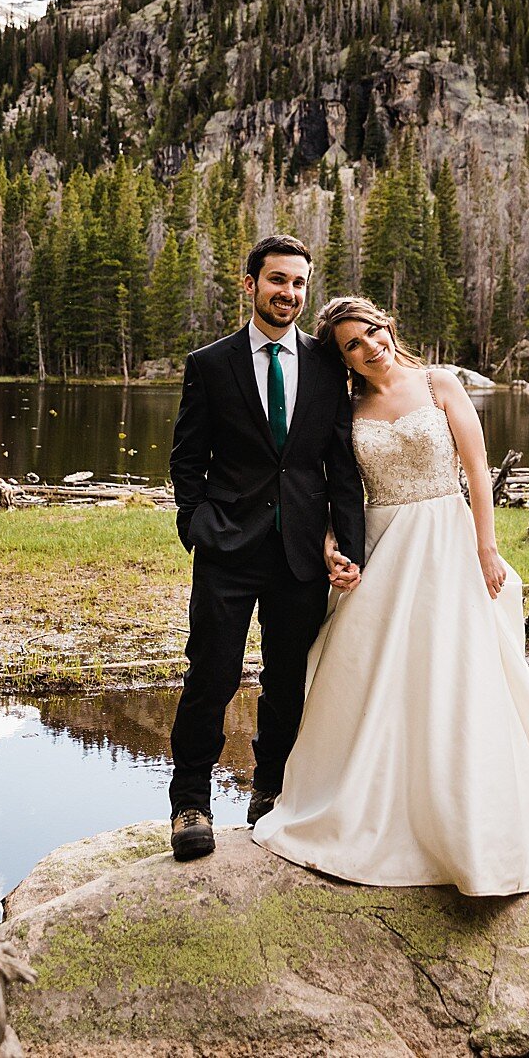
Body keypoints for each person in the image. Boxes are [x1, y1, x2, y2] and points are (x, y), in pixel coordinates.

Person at [253, 296, 529, 896]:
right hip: (385, 545)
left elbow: (477, 470)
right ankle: (371, 803)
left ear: (388, 325)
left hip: (449, 539)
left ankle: (469, 808)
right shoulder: (346, 410)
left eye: (372, 331)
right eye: (352, 343)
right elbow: (328, 489)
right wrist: (328, 546)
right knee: (369, 671)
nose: (369, 346)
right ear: (341, 358)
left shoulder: (439, 383)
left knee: (457, 668)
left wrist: (486, 548)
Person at [166, 236, 367, 862]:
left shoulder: (328, 366)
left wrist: (349, 546)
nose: (290, 294)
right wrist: (197, 523)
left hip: (301, 553)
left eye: (300, 284)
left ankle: (270, 790)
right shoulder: (210, 364)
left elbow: (340, 466)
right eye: (278, 280)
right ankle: (190, 804)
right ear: (250, 285)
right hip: (227, 547)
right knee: (215, 672)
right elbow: (187, 458)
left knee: (287, 679)